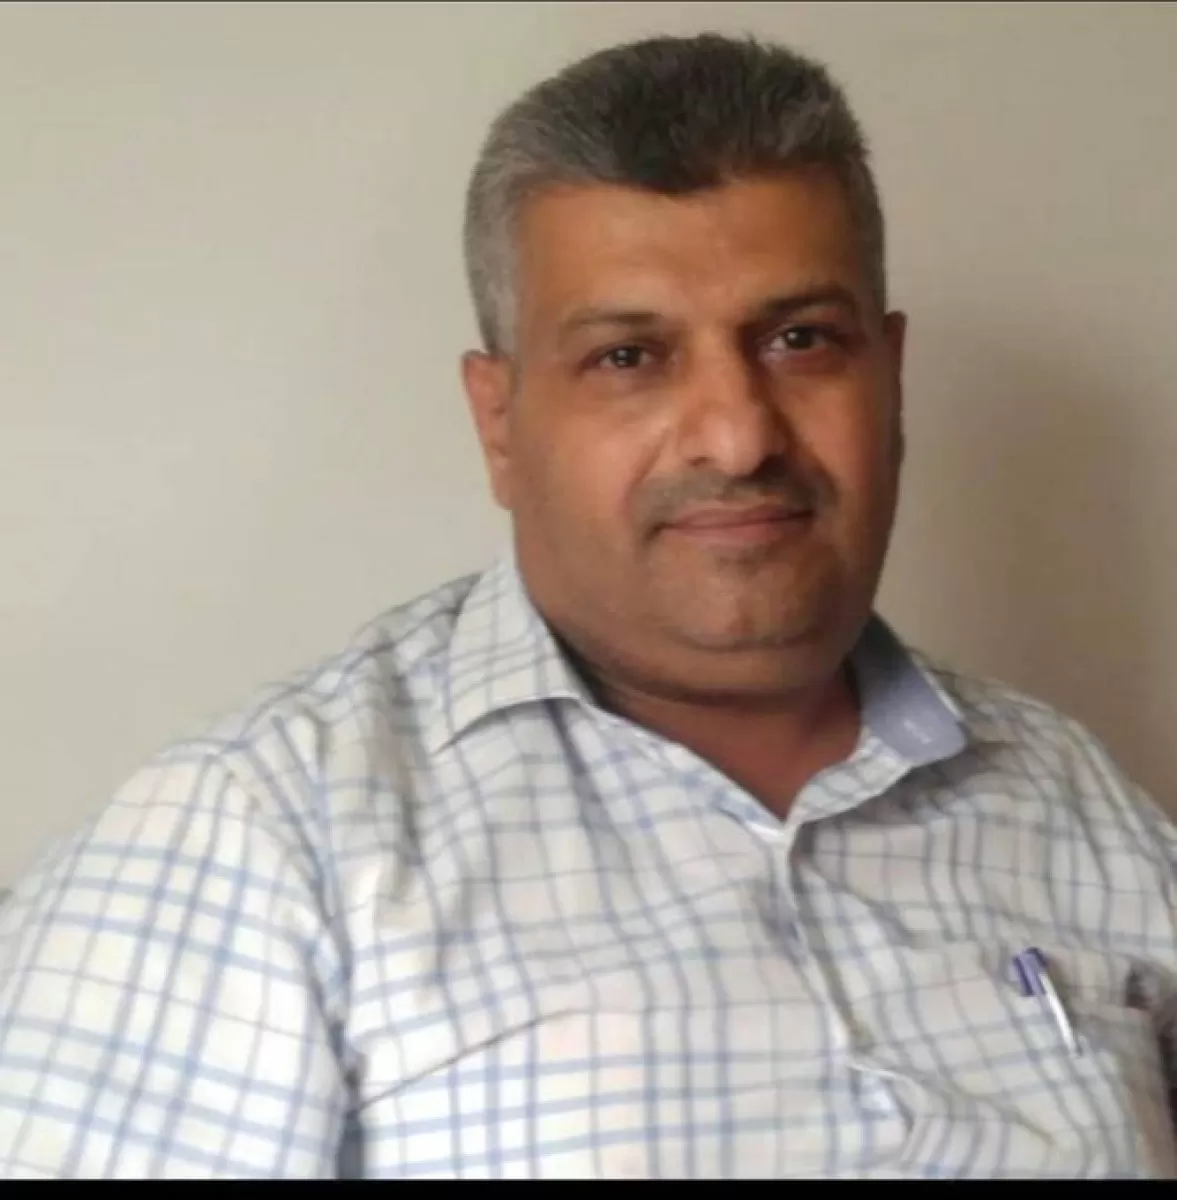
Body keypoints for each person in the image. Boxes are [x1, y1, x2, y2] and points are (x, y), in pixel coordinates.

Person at [0, 31, 1174, 1181]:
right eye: (628, 357)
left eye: (799, 339)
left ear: (890, 377)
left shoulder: (1073, 798)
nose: (738, 436)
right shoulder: (257, 838)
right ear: (500, 423)